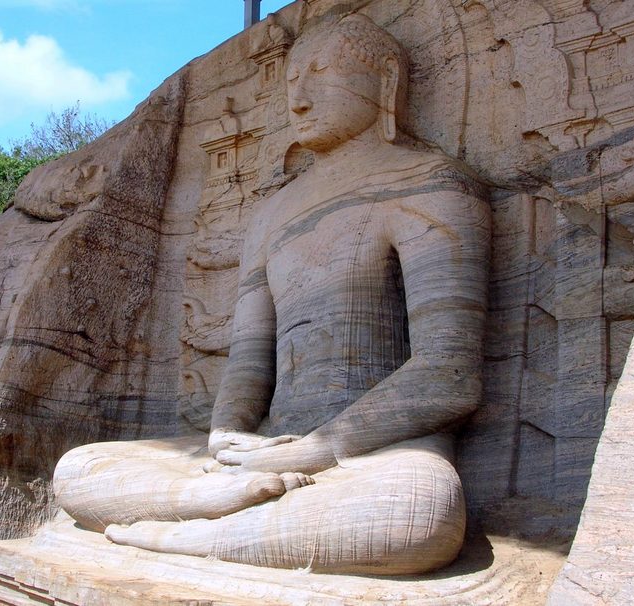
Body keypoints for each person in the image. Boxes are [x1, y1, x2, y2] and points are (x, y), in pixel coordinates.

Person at [53, 13, 490, 575]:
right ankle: (203, 506)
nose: (300, 100)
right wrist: (227, 435)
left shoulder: (432, 183)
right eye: (290, 84)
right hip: (263, 451)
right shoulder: (272, 214)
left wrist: (315, 450)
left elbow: (449, 372)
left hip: (374, 453)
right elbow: (248, 362)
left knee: (417, 515)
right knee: (79, 468)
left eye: (320, 74)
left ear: (386, 80)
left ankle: (194, 538)